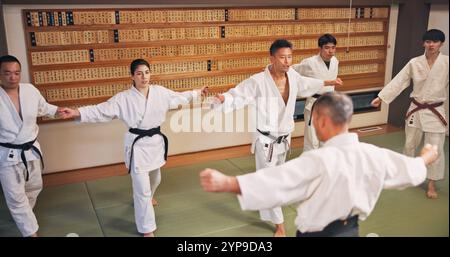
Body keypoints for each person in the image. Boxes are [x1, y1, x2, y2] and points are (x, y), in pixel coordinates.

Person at [200, 92, 438, 237]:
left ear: (322, 121)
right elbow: (409, 170)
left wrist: (229, 183)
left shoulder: (320, 160)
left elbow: (278, 182)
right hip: (351, 231)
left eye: (313, 120)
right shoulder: (372, 154)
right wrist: (426, 156)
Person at [59, 58, 208, 237]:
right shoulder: (123, 98)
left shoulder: (160, 92)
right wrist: (77, 112)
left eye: (146, 72)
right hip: (138, 147)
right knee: (142, 190)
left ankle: (148, 197)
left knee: (156, 179)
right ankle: (147, 230)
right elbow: (101, 110)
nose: (144, 77)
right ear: (132, 76)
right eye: (139, 73)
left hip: (155, 144)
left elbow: (179, 97)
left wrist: (197, 92)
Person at [212, 39, 343, 236]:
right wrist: (224, 98)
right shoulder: (258, 81)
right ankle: (280, 225)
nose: (287, 61)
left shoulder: (293, 76)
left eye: (290, 57)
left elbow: (308, 84)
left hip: (284, 140)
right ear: (272, 58)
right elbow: (239, 94)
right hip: (266, 141)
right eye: (282, 57)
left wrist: (328, 82)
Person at [371, 29, 448, 199]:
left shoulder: (447, 63)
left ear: (441, 44)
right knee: (409, 144)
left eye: (435, 41)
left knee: (435, 148)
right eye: (428, 41)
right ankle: (408, 176)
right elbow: (400, 81)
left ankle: (431, 184)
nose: (431, 44)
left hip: (436, 111)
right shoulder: (415, 62)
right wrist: (381, 97)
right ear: (423, 43)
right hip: (416, 108)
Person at [0, 55, 64, 237]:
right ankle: (31, 232)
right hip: (7, 154)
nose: (12, 77)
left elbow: (43, 108)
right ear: (0, 74)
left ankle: (24, 216)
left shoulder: (29, 90)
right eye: (7, 73)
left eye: (16, 73)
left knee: (34, 187)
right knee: (15, 196)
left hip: (31, 151)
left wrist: (59, 111)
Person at [292, 33, 342, 151]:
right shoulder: (310, 62)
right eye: (327, 47)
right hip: (314, 104)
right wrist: (274, 69)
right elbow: (293, 69)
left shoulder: (335, 61)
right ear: (320, 48)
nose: (330, 51)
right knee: (312, 139)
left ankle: (324, 163)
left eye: (333, 47)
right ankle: (310, 164)